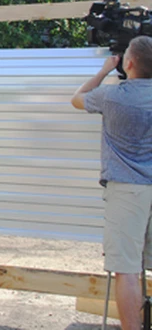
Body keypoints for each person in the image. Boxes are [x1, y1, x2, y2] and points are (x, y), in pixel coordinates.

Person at [72, 36, 152, 330]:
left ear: (128, 63)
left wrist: (104, 70)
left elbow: (77, 98)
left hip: (127, 191)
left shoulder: (112, 96)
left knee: (127, 269)